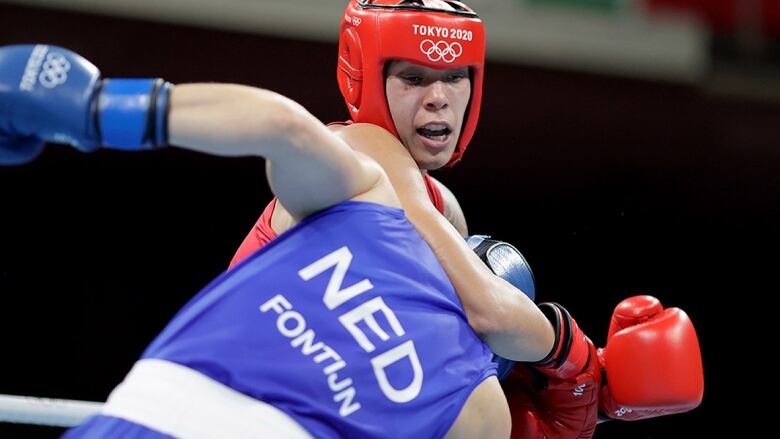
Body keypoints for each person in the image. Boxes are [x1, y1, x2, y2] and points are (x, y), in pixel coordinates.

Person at [0, 42, 703, 439]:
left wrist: (99, 112)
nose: (439, 97)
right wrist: (582, 371)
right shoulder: (369, 195)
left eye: (453, 80)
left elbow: (283, 126)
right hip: (160, 410)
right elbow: (287, 128)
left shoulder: (476, 400)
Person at [229, 0, 483, 268]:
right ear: (363, 81)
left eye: (455, 78)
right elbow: (494, 308)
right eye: (413, 79)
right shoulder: (346, 154)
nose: (438, 98)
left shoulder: (445, 208)